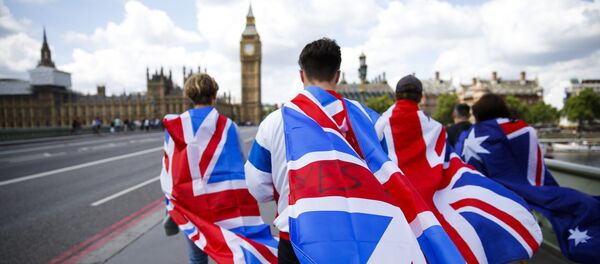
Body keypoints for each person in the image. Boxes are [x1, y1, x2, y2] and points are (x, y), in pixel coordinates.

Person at [245, 38, 462, 263]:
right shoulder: (370, 119)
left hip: (298, 241)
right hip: (366, 239)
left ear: (302, 75)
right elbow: (384, 175)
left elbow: (257, 186)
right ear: (337, 75)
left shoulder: (274, 122)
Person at [374, 79, 542, 263]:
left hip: (394, 196)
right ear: (421, 97)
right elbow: (448, 162)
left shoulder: (379, 123)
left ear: (396, 95)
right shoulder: (436, 127)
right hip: (428, 200)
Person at [456, 93, 600, 263]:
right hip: (532, 192)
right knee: (580, 204)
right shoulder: (523, 129)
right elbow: (534, 164)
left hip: (491, 199)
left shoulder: (469, 136)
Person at [159, 73, 277, 264]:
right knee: (234, 251)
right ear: (214, 95)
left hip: (193, 205)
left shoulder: (176, 126)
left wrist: (171, 206)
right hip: (226, 204)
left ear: (189, 96)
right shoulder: (229, 126)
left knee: (197, 256)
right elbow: (244, 163)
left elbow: (168, 171)